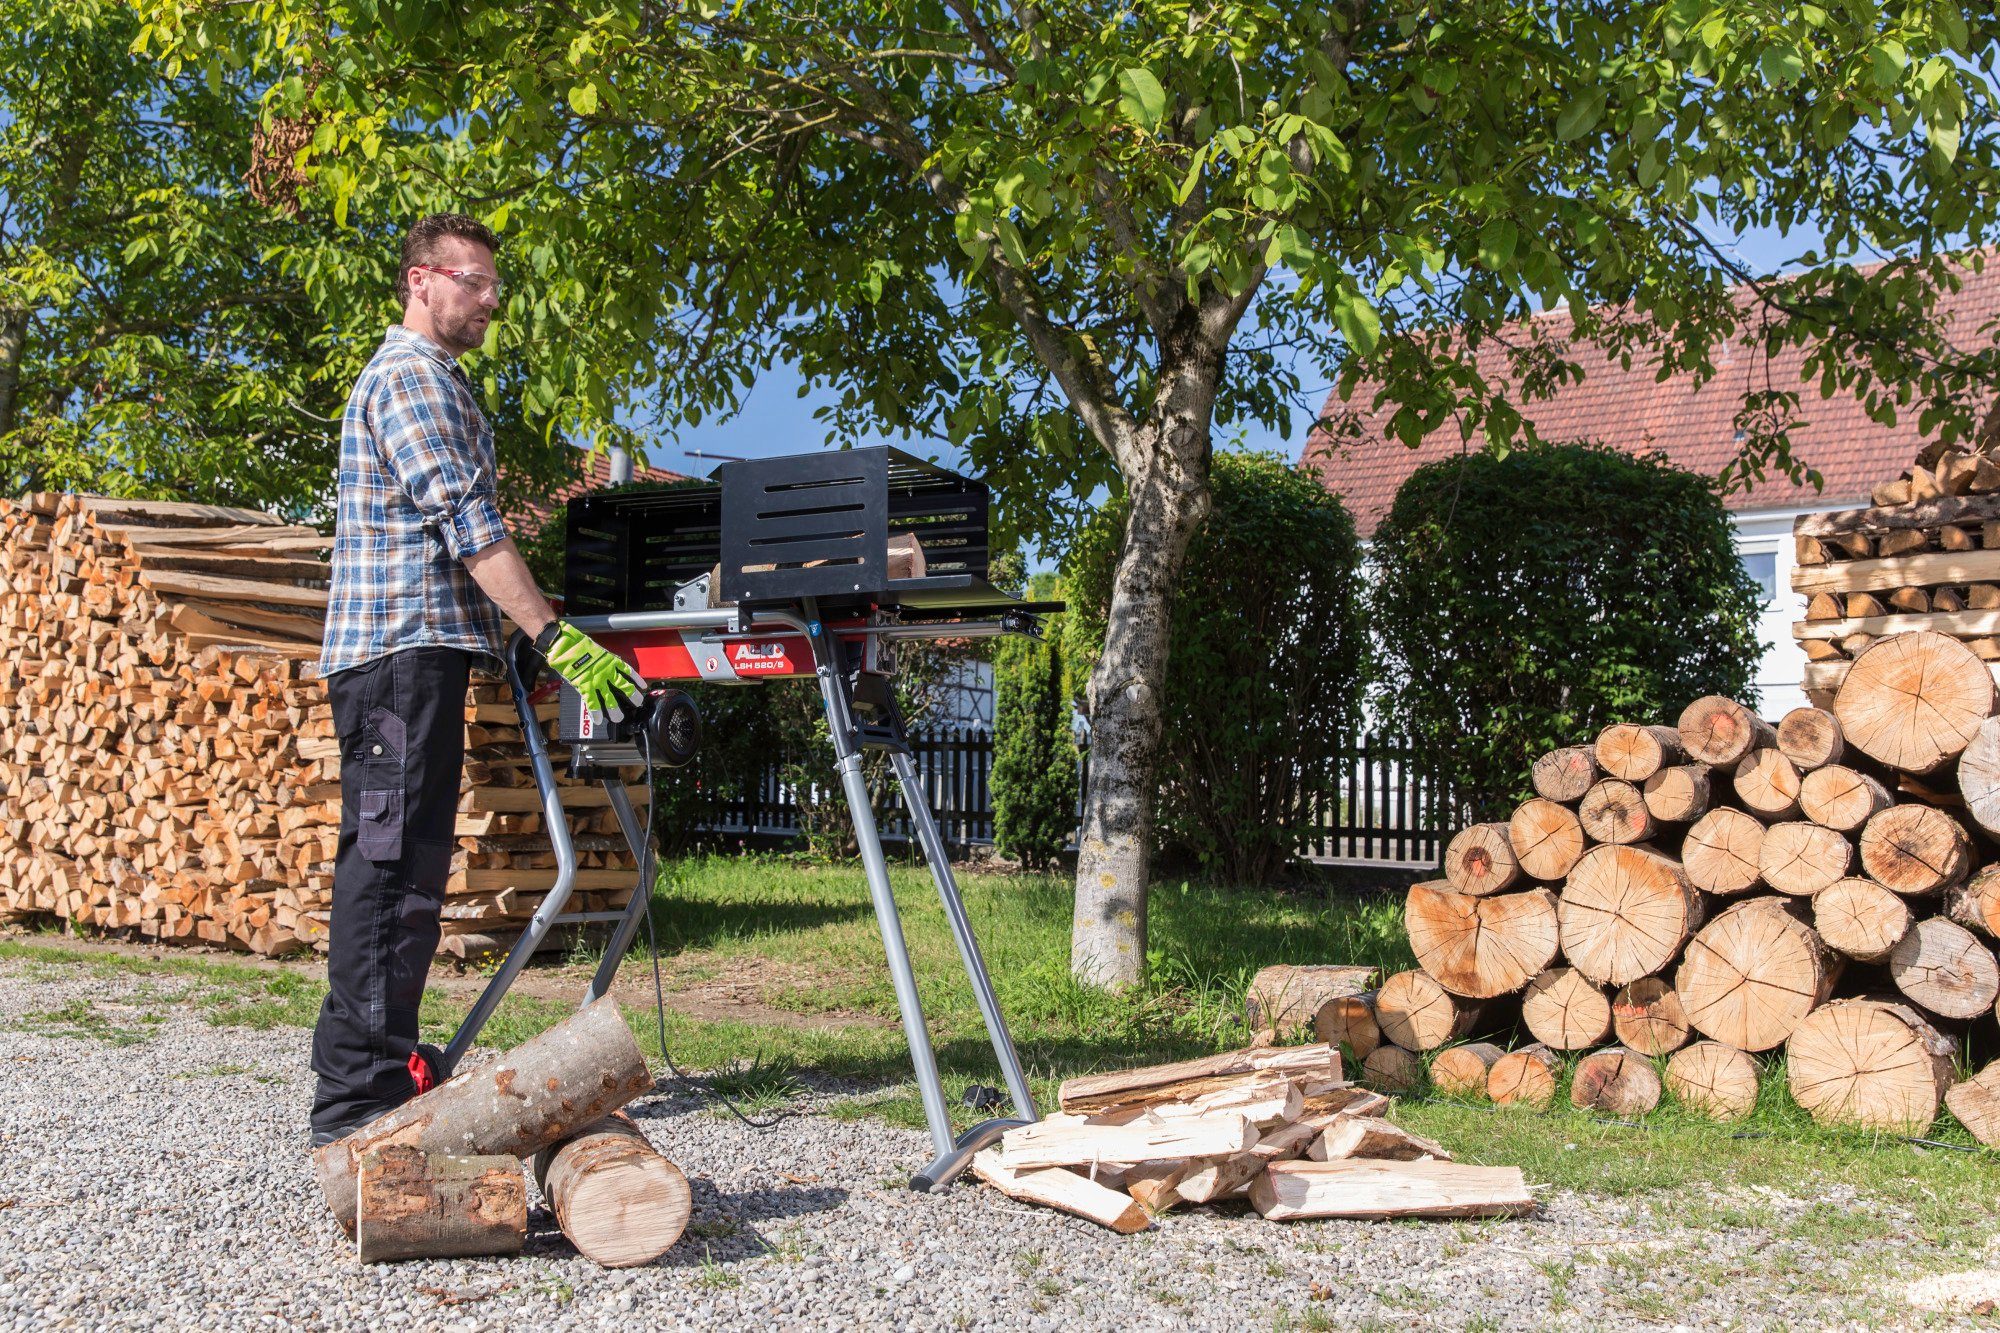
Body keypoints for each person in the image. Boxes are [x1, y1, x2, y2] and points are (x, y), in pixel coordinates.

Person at [309, 213, 647, 1147]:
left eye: (494, 285)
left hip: (421, 655)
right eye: (476, 280)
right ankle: (356, 1109)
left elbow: (450, 548)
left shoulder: (438, 382)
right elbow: (465, 523)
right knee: (388, 873)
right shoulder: (411, 377)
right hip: (394, 660)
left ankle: (380, 1076)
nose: (493, 297)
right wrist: (548, 631)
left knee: (409, 869)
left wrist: (513, 653)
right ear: (422, 279)